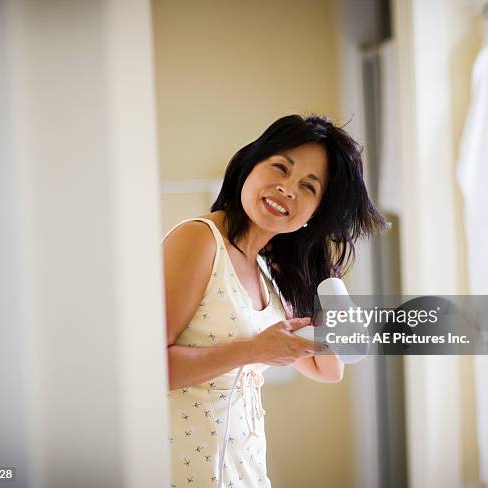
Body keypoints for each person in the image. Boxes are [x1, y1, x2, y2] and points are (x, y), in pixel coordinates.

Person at [162, 114, 386, 487]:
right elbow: (148, 369)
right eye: (280, 167)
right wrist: (255, 349)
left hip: (242, 471)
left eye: (308, 187)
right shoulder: (199, 240)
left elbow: (328, 371)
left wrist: (329, 294)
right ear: (250, 165)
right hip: (187, 470)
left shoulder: (267, 270)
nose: (287, 188)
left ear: (312, 216)